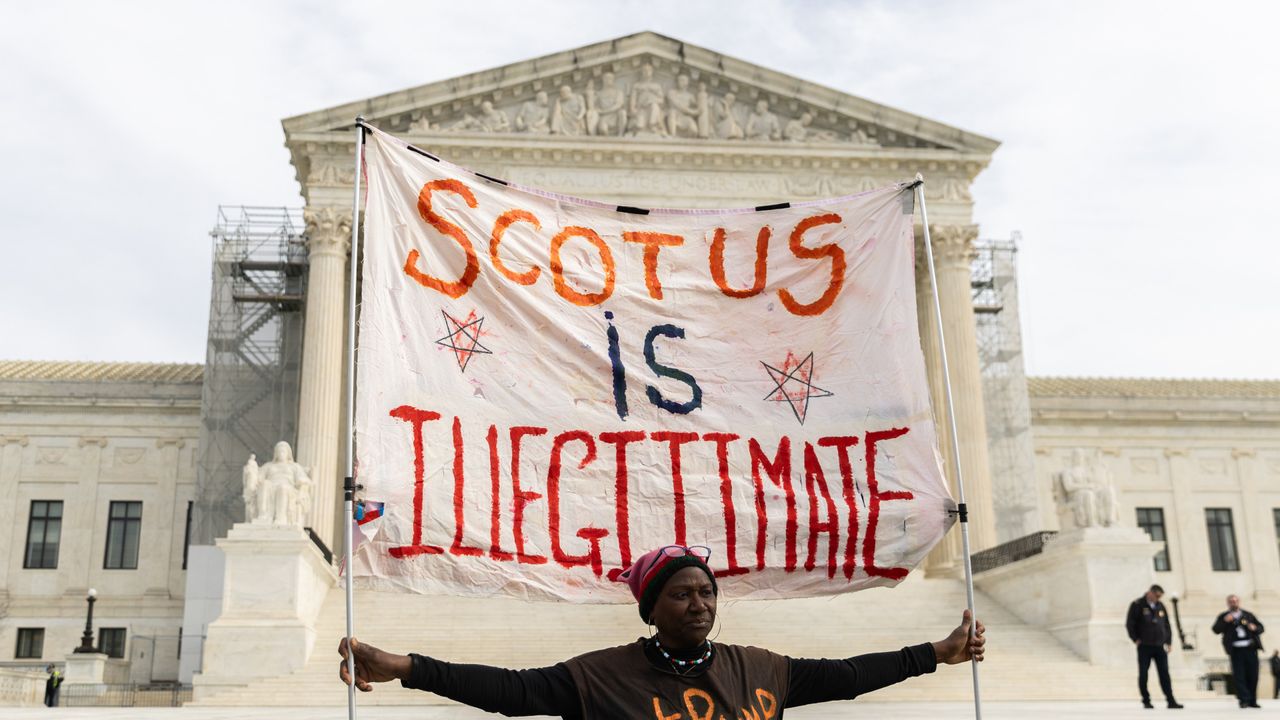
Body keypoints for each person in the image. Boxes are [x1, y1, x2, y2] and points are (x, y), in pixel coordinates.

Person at [339, 545, 985, 718]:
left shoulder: (757, 669)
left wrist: (935, 653)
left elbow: (847, 678)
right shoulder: (605, 677)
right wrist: (406, 667)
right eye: (682, 595)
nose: (700, 604)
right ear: (651, 608)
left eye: (706, 592)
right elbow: (513, 692)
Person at [1126, 584, 1183, 709]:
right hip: (1145, 646)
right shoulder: (1137, 605)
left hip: (1159, 645)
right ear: (1149, 593)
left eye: (1159, 597)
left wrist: (1168, 641)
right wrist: (1135, 639)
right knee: (1144, 673)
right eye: (1156, 596)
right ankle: (1146, 700)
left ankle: (1170, 700)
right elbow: (1130, 624)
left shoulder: (1160, 605)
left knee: (1164, 674)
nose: (1157, 598)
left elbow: (1166, 625)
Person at [1213, 594, 1265, 708]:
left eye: (1235, 601)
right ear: (1228, 603)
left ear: (1239, 602)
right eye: (1231, 601)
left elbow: (1261, 628)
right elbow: (1216, 629)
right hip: (1236, 650)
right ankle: (1244, 700)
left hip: (1250, 649)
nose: (1234, 603)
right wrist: (1225, 621)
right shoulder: (1224, 616)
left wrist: (1254, 628)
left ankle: (1253, 700)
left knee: (1253, 675)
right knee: (1239, 676)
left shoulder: (1248, 615)